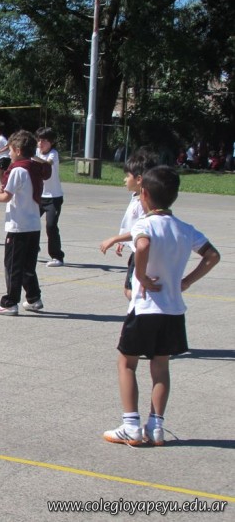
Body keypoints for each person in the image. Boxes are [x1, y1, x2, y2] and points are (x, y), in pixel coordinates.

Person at [103, 166, 220, 446]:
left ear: (143, 194)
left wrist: (141, 276)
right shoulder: (184, 228)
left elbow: (142, 246)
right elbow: (212, 256)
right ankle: (156, 426)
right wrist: (186, 281)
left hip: (145, 308)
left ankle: (131, 424)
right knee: (161, 367)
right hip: (172, 310)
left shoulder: (144, 224)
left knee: (127, 363)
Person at [0, 130, 51, 316]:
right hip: (33, 225)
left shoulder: (18, 170)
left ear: (18, 151)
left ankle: (10, 303)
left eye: (11, 150)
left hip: (18, 226)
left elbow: (6, 196)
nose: (9, 154)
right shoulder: (34, 167)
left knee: (13, 266)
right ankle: (34, 298)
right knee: (28, 266)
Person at [99, 150, 158, 300]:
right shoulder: (136, 197)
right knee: (129, 290)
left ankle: (145, 308)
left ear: (139, 179)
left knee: (132, 291)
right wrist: (123, 242)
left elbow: (141, 230)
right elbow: (131, 224)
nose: (125, 179)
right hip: (135, 249)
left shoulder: (145, 204)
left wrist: (114, 239)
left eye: (127, 176)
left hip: (141, 252)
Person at [35, 127, 65, 267]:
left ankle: (57, 256)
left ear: (51, 142)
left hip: (53, 197)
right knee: (31, 223)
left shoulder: (54, 153)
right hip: (38, 195)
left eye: (44, 141)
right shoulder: (35, 152)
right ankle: (33, 248)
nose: (40, 143)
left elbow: (48, 164)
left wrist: (31, 156)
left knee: (51, 226)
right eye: (39, 140)